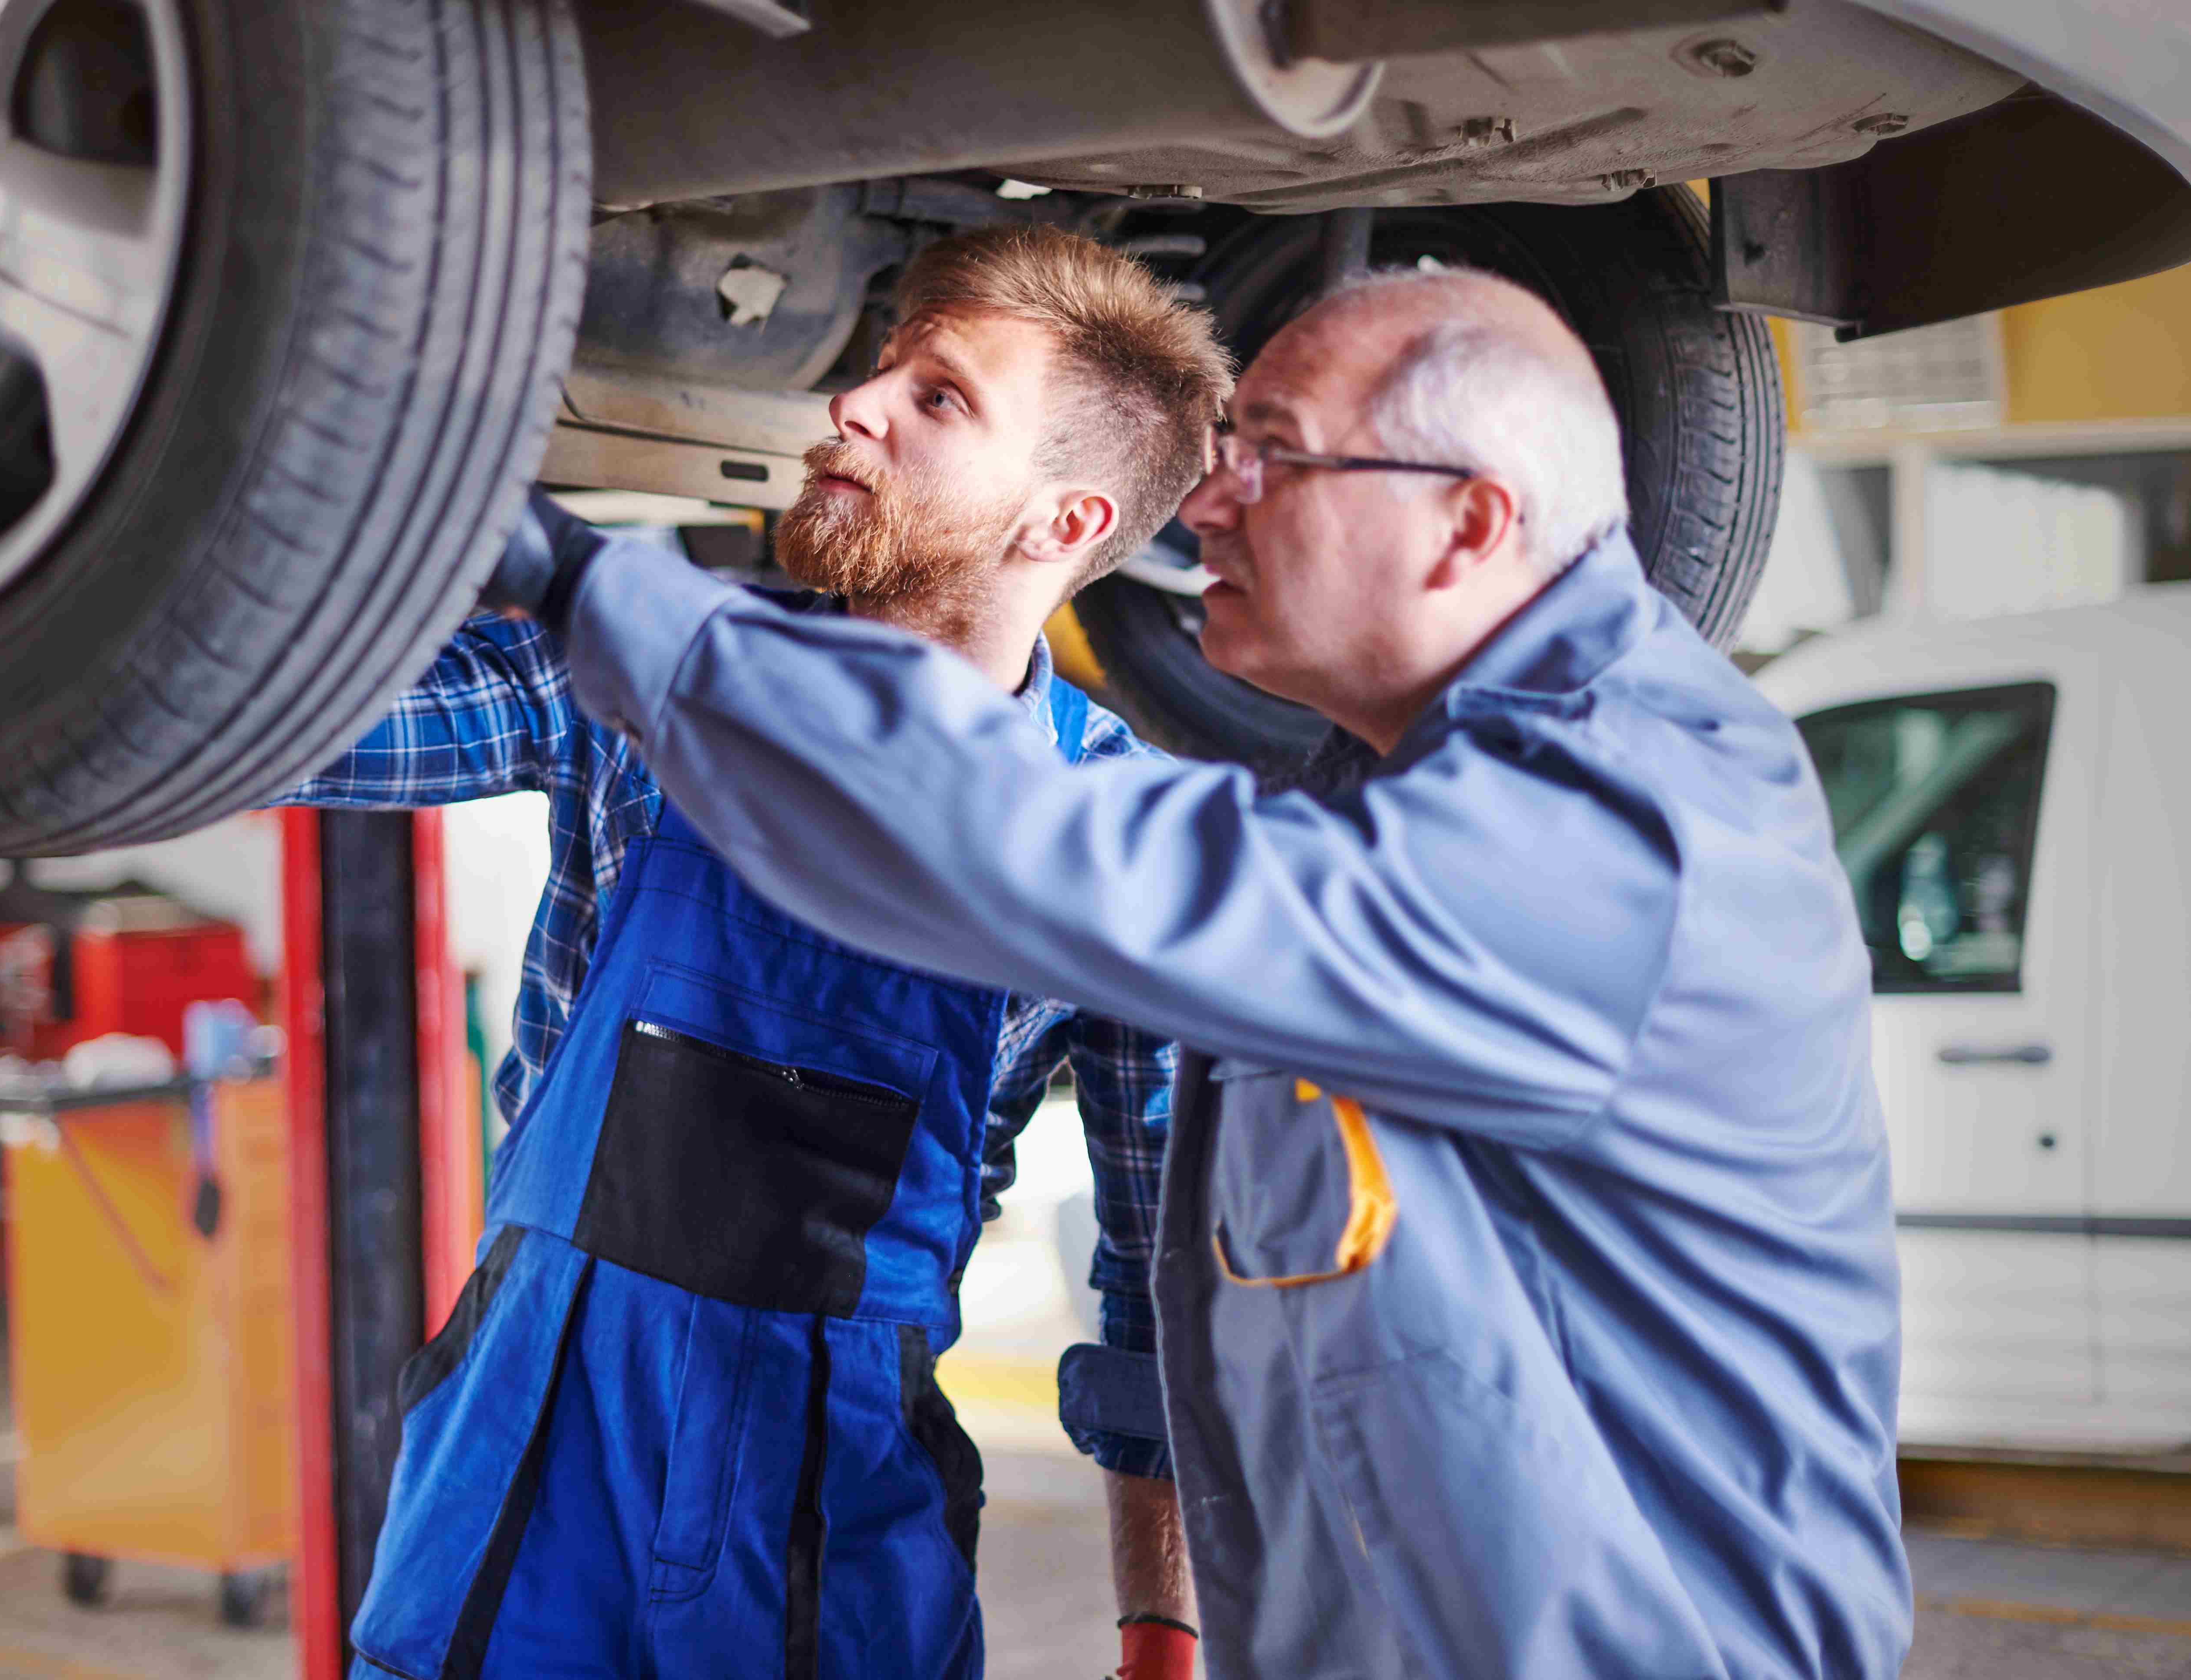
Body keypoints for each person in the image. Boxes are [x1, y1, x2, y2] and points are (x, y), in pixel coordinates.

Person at [494, 265, 1912, 1678]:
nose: (1210, 507)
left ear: (1468, 523)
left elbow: (1030, 845)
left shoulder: (1617, 833)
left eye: (1276, 458)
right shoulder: (1407, 793)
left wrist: (572, 577)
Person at [289, 226, 1233, 1680]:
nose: (853, 407)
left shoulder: (1118, 847)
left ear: (1064, 519)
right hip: (530, 1441)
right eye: (882, 371)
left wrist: (1162, 1632)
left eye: (941, 399)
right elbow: (301, 724)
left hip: (833, 1513)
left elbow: (1157, 1279)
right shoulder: (650, 669)